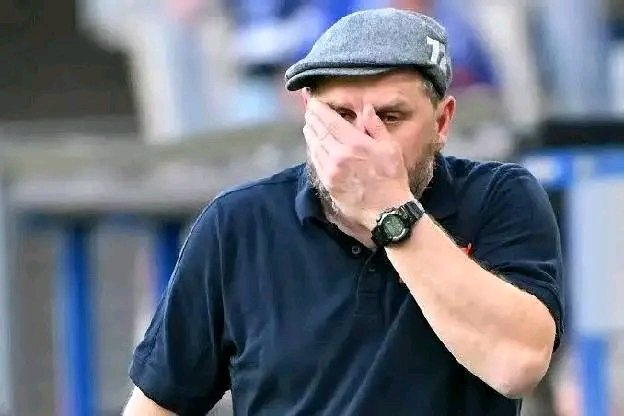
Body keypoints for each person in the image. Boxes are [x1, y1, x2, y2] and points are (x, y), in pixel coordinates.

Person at [123, 8, 564, 416]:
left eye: (390, 117)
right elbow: (157, 404)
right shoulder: (238, 223)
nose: (361, 142)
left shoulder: (497, 198)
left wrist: (390, 210)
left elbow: (517, 364)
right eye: (340, 115)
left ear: (441, 122)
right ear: (307, 114)